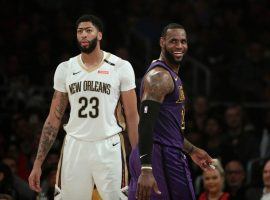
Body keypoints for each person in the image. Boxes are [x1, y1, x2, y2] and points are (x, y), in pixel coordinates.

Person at [28, 14, 139, 200]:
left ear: (100, 35)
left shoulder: (120, 66)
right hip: (75, 144)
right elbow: (53, 118)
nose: (84, 35)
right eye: (80, 31)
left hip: (108, 143)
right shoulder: (65, 68)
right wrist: (38, 163)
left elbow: (132, 116)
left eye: (89, 30)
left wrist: (139, 160)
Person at [128, 23, 213, 200]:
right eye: (173, 41)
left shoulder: (170, 75)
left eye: (183, 41)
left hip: (163, 151)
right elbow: (145, 125)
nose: (179, 46)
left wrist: (192, 150)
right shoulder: (159, 77)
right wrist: (146, 168)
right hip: (157, 156)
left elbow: (167, 129)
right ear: (162, 42)